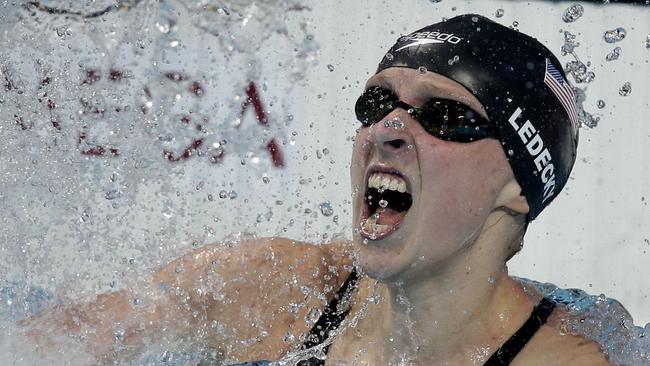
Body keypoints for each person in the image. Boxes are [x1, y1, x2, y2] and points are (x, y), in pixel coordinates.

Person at [20, 14, 616, 365]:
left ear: (519, 182)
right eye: (379, 103)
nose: (388, 129)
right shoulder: (264, 291)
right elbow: (38, 348)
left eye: (445, 117)